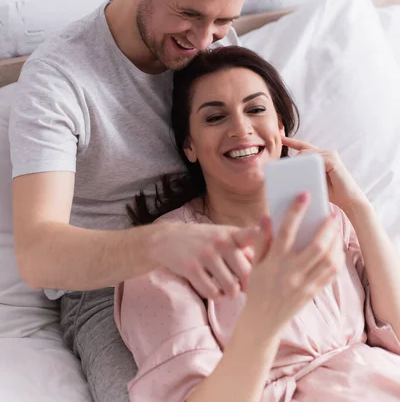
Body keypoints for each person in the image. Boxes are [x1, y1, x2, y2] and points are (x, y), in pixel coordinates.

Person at [9, 0, 277, 402]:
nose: (204, 42)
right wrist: (161, 244)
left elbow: (261, 142)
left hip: (222, 243)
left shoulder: (216, 42)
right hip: (109, 288)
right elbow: (39, 255)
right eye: (190, 15)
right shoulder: (58, 81)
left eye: (221, 22)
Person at [115, 45, 400, 401]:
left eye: (256, 109)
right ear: (189, 145)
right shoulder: (161, 257)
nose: (240, 128)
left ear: (280, 128)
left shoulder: (326, 218)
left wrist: (357, 206)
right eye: (215, 117)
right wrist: (265, 318)